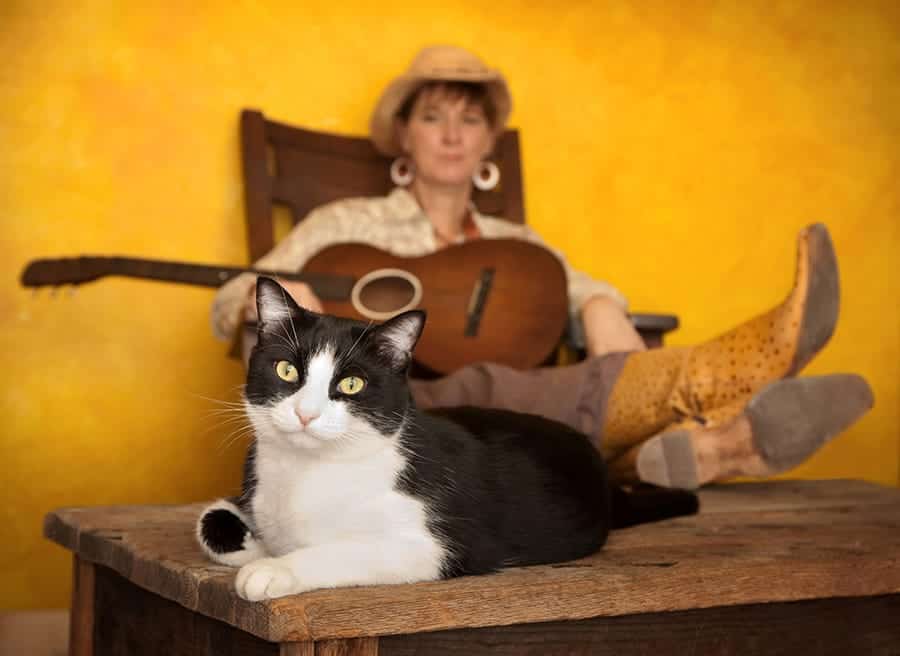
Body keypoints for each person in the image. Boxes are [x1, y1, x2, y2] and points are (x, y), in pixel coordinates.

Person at [211, 45, 873, 490]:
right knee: (484, 384)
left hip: (513, 433)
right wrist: (264, 298)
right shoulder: (346, 223)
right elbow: (231, 299)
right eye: (433, 117)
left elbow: (581, 286)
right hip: (392, 427)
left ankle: (716, 447)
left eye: (469, 121)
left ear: (487, 142)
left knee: (535, 392)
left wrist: (602, 308)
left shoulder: (513, 240)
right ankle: (727, 383)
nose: (451, 134)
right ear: (403, 134)